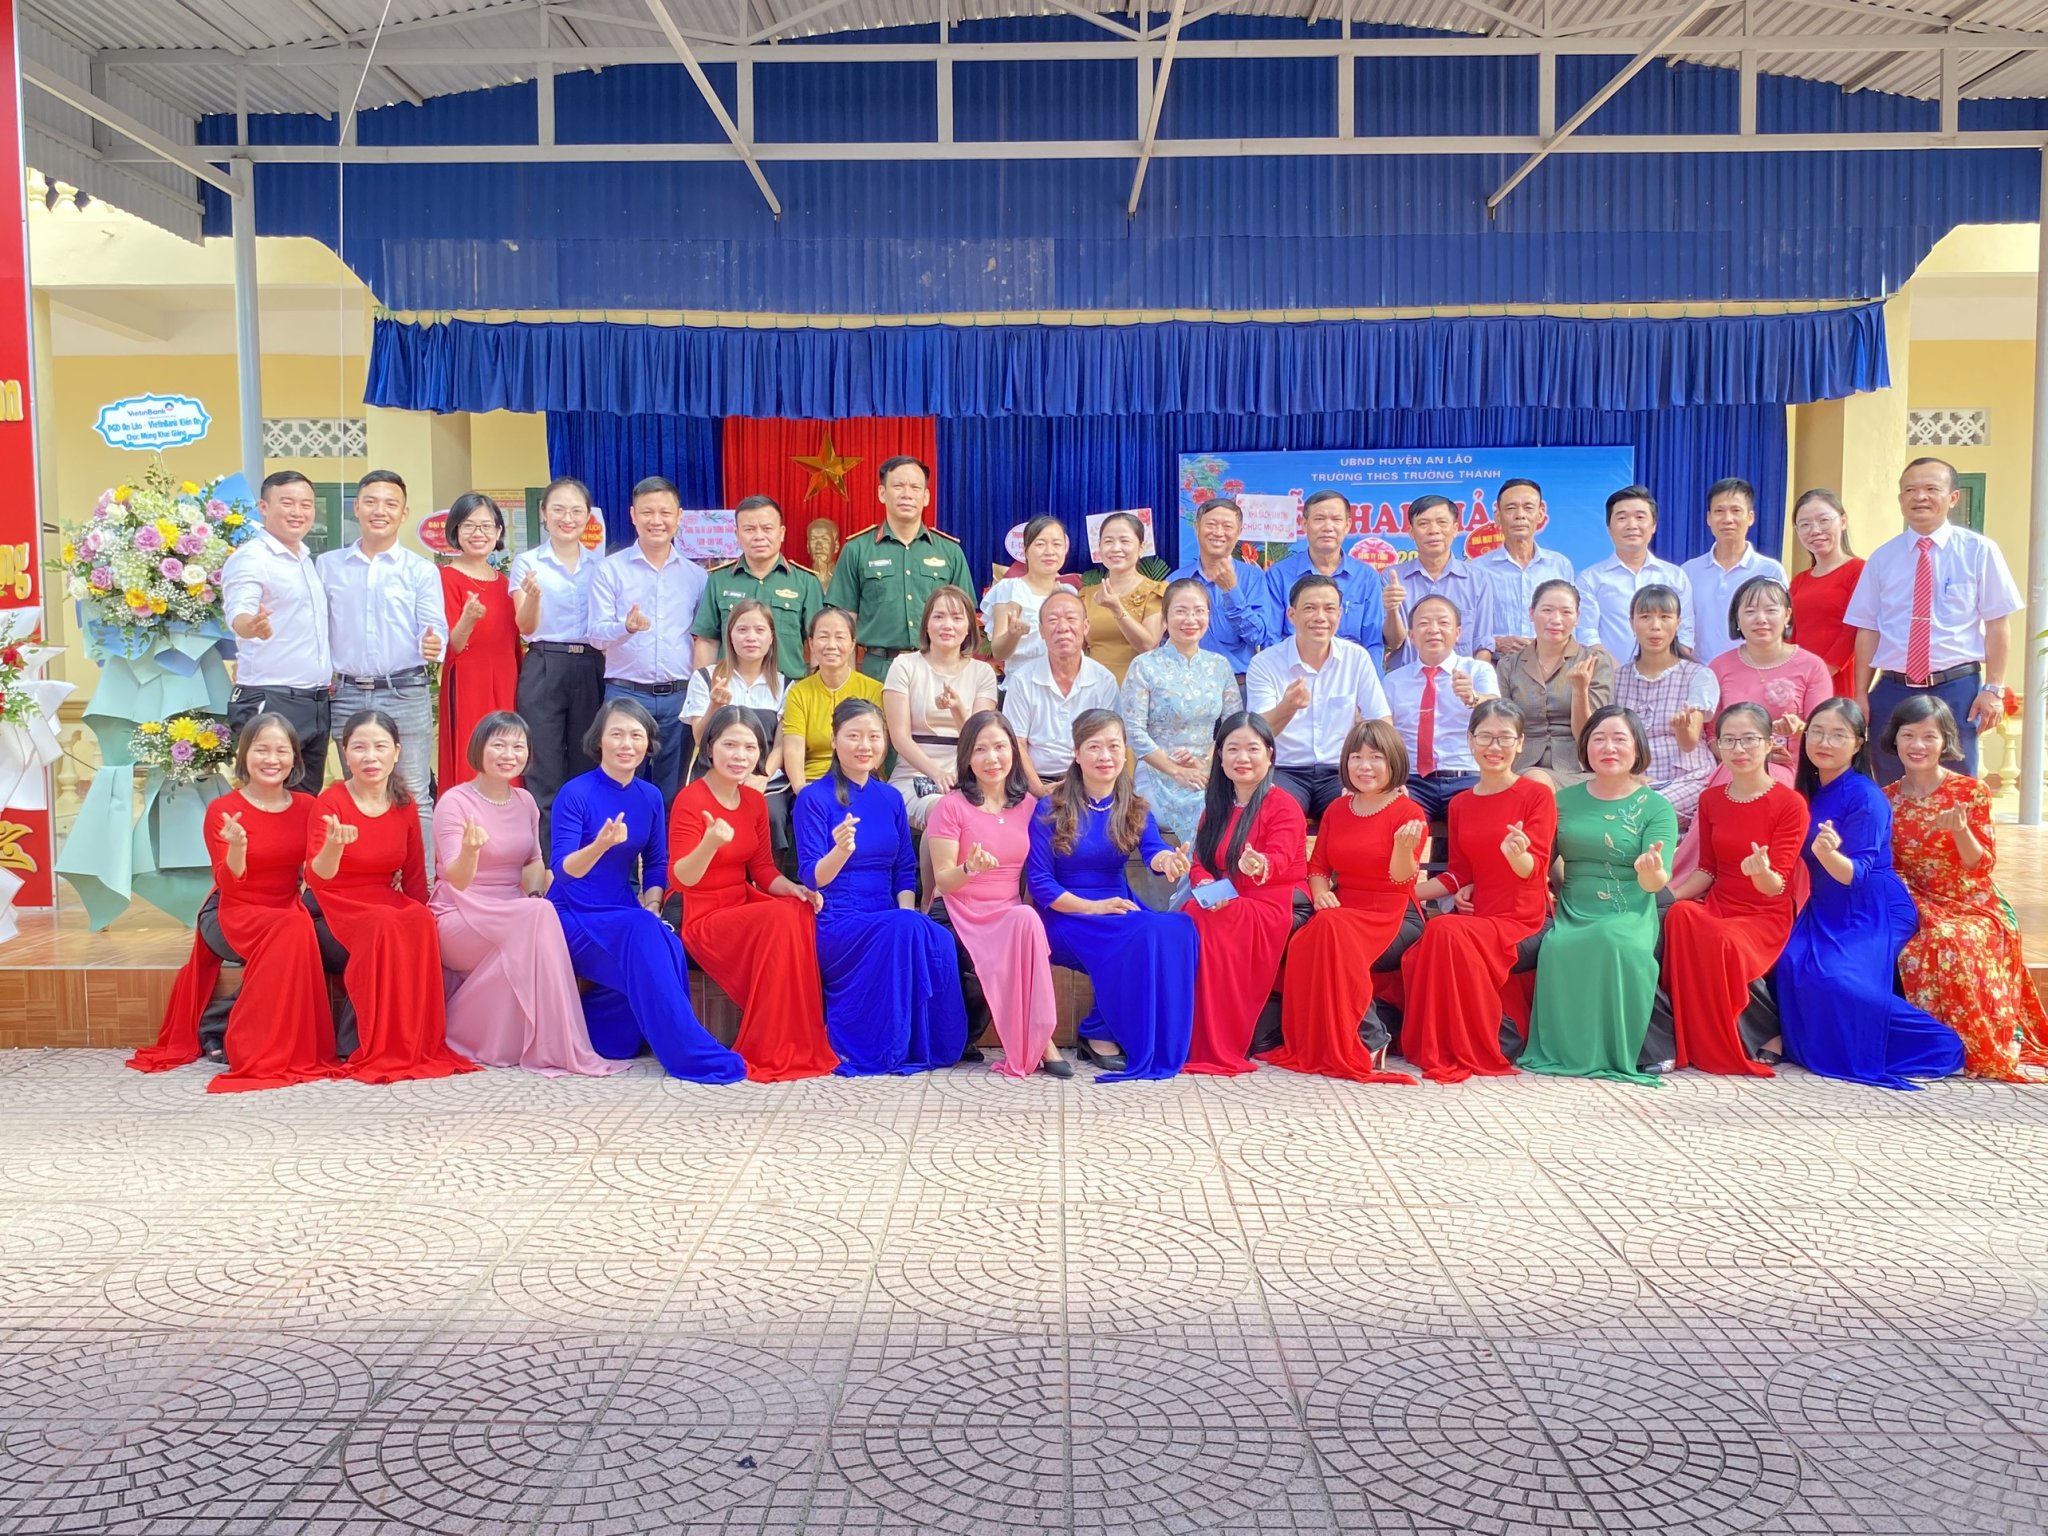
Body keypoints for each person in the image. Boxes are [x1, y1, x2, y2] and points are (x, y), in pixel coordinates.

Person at [130, 713, 339, 1091]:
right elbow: (229, 884)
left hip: (285, 909)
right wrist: (238, 847)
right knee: (294, 927)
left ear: (295, 757)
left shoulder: (308, 807)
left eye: (281, 750)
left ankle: (224, 1023)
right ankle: (247, 1042)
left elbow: (318, 876)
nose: (271, 759)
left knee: (295, 926)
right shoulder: (223, 810)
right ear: (245, 755)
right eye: (261, 749)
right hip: (232, 912)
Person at [548, 697, 747, 1083]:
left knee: (664, 941)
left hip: (622, 911)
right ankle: (692, 1050)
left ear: (648, 742)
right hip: (573, 913)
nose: (627, 744)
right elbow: (563, 871)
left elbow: (657, 862)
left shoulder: (650, 796)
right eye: (617, 734)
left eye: (636, 735)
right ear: (599, 740)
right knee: (643, 932)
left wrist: (653, 903)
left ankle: (587, 1029)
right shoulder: (575, 793)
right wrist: (600, 845)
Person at [1777, 699, 1965, 1090]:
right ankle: (1811, 1046)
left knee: (1836, 980)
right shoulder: (1811, 789)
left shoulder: (1865, 796)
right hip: (1826, 905)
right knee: (1792, 963)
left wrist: (1828, 854)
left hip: (1872, 906)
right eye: (1817, 732)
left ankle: (1940, 1046)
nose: (1825, 742)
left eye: (1838, 735)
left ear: (1858, 743)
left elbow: (1857, 875)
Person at [431, 712, 625, 1077]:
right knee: (538, 917)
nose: (509, 754)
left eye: (518, 746)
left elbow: (534, 862)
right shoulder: (455, 802)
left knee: (542, 912)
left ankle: (498, 1038)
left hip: (514, 914)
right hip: (460, 914)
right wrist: (471, 851)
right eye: (499, 745)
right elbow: (456, 878)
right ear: (479, 748)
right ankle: (562, 1045)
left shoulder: (525, 801)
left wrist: (537, 893)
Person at [795, 698, 969, 1075]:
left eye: (874, 736)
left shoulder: (890, 797)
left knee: (935, 936)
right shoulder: (813, 798)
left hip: (887, 916)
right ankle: (878, 1045)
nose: (865, 745)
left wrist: (907, 913)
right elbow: (811, 876)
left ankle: (929, 1044)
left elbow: (904, 868)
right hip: (838, 922)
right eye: (853, 736)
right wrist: (841, 851)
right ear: (834, 740)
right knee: (906, 927)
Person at [305, 710, 477, 1084]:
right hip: (336, 902)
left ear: (396, 752)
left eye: (380, 747)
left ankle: (414, 1040)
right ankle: (368, 1041)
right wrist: (333, 847)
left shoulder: (405, 803)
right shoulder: (331, 803)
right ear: (345, 753)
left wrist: (426, 910)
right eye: (359, 748)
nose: (370, 757)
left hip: (384, 897)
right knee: (384, 922)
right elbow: (316, 878)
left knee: (418, 919)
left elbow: (414, 875)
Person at [1026, 710, 1198, 1081]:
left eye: (1114, 746)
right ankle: (1099, 1032)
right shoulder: (1050, 807)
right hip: (1065, 914)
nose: (1105, 756)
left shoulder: (1134, 806)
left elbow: (1153, 852)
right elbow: (1040, 882)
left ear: (1125, 753)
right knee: (1140, 934)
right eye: (1094, 747)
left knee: (1178, 929)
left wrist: (1169, 861)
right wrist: (1093, 907)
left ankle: (1141, 1032)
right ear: (1076, 754)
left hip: (1118, 908)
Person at [669, 706, 839, 1082]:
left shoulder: (754, 801)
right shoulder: (690, 800)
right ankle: (768, 1045)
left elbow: (763, 870)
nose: (740, 756)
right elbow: (681, 879)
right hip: (704, 916)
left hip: (741, 902)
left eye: (750, 747)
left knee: (796, 909)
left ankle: (793, 1039)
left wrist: (794, 888)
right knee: (779, 916)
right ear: (710, 747)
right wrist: (710, 843)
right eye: (730, 745)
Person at [1884, 695, 2048, 1082]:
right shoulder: (1886, 797)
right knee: (1908, 942)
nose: (1918, 745)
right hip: (1914, 897)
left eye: (1929, 736)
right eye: (1909, 735)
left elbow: (1982, 865)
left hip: (1970, 900)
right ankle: (1928, 1045)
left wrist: (1960, 832)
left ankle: (1968, 1045)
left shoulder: (1971, 792)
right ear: (1895, 739)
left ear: (1946, 741)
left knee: (1948, 941)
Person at [1399, 700, 1557, 1082]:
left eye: (1504, 738)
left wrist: (1517, 854)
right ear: (1470, 741)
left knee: (1444, 930)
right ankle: (1448, 1040)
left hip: (1523, 919)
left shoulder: (1535, 795)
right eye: (1485, 737)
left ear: (1520, 743)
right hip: (1479, 915)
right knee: (1436, 937)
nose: (1494, 746)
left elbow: (1534, 869)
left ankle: (1462, 1043)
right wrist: (1406, 893)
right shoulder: (1460, 804)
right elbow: (1458, 874)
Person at [1519, 707, 1678, 1085]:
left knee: (1613, 941)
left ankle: (1634, 1048)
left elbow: (1657, 880)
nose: (1609, 748)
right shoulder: (1562, 801)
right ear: (1585, 747)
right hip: (1575, 904)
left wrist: (1651, 870)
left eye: (1620, 739)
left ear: (1637, 747)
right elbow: (1541, 862)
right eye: (1598, 739)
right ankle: (1568, 1050)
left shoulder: (1656, 807)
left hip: (1631, 905)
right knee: (1557, 946)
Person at [1266, 718, 1429, 1083]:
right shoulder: (1338, 810)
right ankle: (1335, 1037)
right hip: (1342, 909)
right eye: (1356, 757)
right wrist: (1321, 894)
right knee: (1310, 936)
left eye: (1375, 757)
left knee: (1333, 930)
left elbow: (1402, 879)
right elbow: (1318, 867)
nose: (1364, 766)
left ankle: (1368, 1036)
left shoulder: (1409, 813)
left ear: (1393, 761)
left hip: (1394, 913)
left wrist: (1403, 848)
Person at [1654, 702, 1806, 1077]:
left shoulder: (1790, 803)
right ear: (1718, 746)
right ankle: (1691, 1035)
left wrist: (1761, 872)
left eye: (1749, 739)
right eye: (1729, 740)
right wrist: (1663, 896)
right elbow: (1706, 870)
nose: (1739, 749)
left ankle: (1752, 1032)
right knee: (1680, 915)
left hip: (1764, 913)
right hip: (1720, 905)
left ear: (1769, 743)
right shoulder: (1711, 799)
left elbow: (1777, 885)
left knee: (1720, 939)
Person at [1848, 456, 2022, 781]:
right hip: (1892, 689)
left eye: (1931, 489)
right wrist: (1860, 692)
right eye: (1910, 490)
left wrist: (1993, 688)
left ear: (1953, 497)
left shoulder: (1979, 551)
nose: (1920, 497)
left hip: (1956, 689)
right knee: (1890, 783)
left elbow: (1998, 623)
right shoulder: (1883, 558)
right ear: (1900, 498)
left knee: (1956, 784)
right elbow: (1868, 628)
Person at [925, 711, 1067, 1078]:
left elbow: (1038, 872)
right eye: (980, 749)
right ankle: (1037, 1043)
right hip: (957, 907)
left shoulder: (1029, 807)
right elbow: (944, 880)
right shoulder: (951, 806)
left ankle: (1041, 1039)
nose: (992, 758)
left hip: (1007, 912)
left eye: (1000, 747)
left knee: (1027, 919)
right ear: (967, 757)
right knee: (1012, 929)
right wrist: (969, 868)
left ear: (1013, 753)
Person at [318, 470, 445, 846]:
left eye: (391, 504)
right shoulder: (328, 565)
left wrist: (433, 642)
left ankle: (422, 882)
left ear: (403, 513)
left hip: (404, 690)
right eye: (371, 502)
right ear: (356, 507)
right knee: (359, 793)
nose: (380, 511)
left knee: (414, 795)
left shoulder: (421, 570)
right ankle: (368, 876)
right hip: (345, 694)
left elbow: (434, 625)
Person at [1182, 714, 1309, 1075]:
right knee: (1190, 914)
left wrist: (1259, 864)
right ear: (1219, 757)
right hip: (1228, 896)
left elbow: (1280, 858)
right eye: (1232, 749)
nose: (1242, 758)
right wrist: (1206, 885)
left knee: (1213, 918)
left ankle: (1220, 1041)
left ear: (1270, 754)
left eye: (1253, 749)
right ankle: (1189, 1034)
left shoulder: (1283, 804)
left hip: (1276, 900)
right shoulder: (1216, 807)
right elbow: (1200, 863)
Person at [587, 475, 709, 807]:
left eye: (665, 512)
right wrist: (625, 627)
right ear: (632, 515)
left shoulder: (697, 576)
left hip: (679, 697)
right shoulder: (609, 570)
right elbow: (596, 636)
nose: (657, 521)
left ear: (679, 516)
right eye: (647, 512)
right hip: (626, 693)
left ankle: (664, 844)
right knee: (621, 786)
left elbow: (705, 637)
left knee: (673, 792)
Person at [1245, 574, 1393, 821]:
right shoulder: (1265, 663)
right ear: (1291, 615)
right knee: (1277, 814)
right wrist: (1287, 707)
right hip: (1284, 769)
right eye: (1310, 608)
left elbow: (1381, 721)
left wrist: (1384, 774)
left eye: (1329, 609)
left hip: (1341, 770)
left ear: (1339, 615)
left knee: (1359, 813)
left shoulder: (1356, 658)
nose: (1320, 617)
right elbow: (1256, 735)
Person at [224, 470, 333, 789]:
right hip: (272, 700)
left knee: (305, 801)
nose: (298, 512)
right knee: (268, 799)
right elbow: (240, 610)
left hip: (315, 701)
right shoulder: (252, 558)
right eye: (287, 503)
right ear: (263, 507)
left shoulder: (305, 559)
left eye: (306, 504)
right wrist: (250, 626)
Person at [824, 456, 975, 681]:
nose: (907, 494)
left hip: (937, 669)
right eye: (898, 486)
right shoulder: (857, 550)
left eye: (915, 487)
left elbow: (966, 621)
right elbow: (844, 624)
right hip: (878, 671)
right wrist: (849, 683)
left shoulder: (949, 552)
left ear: (926, 497)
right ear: (882, 493)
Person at [511, 476, 603, 838]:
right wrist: (533, 597)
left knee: (588, 760)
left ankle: (586, 850)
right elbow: (525, 626)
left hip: (591, 665)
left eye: (576, 511)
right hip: (544, 662)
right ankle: (548, 857)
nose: (567, 518)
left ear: (588, 517)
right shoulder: (528, 563)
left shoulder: (601, 565)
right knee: (543, 764)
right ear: (543, 513)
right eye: (559, 510)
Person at [1121, 578, 1241, 842]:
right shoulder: (1144, 666)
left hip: (1209, 769)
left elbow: (1233, 728)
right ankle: (1196, 870)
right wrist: (1177, 770)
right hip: (1157, 772)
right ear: (1165, 619)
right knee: (1204, 810)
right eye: (1181, 611)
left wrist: (1206, 762)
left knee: (1238, 808)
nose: (1191, 619)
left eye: (1199, 611)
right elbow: (1133, 731)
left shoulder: (1219, 666)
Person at [884, 584, 999, 829]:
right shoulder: (904, 666)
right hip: (915, 776)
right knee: (945, 810)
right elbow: (900, 738)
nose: (947, 625)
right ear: (926, 623)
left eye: (957, 618)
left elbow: (980, 740)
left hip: (970, 776)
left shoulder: (983, 673)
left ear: (969, 628)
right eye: (938, 617)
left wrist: (957, 709)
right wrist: (937, 773)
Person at [682, 601, 791, 856]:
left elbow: (782, 744)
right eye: (742, 629)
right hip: (714, 776)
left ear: (771, 637)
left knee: (772, 814)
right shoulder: (706, 678)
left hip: (764, 780)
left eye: (759, 630)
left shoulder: (786, 685)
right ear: (729, 635)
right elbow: (699, 738)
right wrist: (714, 705)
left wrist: (762, 776)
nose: (751, 637)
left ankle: (768, 879)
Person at [1381, 594, 1499, 822]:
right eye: (1424, 623)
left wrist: (1473, 698)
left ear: (1458, 632)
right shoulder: (1393, 681)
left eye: (1443, 623)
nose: (1434, 630)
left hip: (1467, 776)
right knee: (1395, 821)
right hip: (1411, 780)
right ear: (1411, 635)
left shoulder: (1477, 671)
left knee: (1478, 827)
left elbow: (1497, 712)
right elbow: (1384, 733)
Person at [436, 492, 521, 793]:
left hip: (507, 682)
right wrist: (468, 619)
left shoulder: (506, 583)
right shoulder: (445, 578)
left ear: (498, 532)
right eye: (469, 526)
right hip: (468, 682)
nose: (478, 533)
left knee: (508, 751)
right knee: (472, 754)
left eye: (486, 526)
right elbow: (452, 647)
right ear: (455, 530)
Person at [1614, 586, 1718, 827]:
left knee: (1641, 812)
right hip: (1632, 779)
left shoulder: (1698, 676)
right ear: (1632, 623)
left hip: (1687, 778)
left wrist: (1682, 729)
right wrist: (1630, 777)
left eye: (1665, 617)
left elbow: (1689, 743)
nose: (1655, 626)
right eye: (1645, 617)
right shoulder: (1617, 678)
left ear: (1678, 623)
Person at [692, 493, 824, 682]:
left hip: (787, 688)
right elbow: (707, 641)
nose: (759, 536)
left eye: (767, 528)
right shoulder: (719, 580)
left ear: (782, 533)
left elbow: (817, 643)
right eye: (749, 529)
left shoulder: (806, 583)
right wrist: (705, 689)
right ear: (737, 535)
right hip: (731, 689)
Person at [1493, 580, 1613, 789]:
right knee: (1534, 781)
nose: (1556, 620)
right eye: (1547, 610)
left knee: (1538, 782)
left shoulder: (1595, 661)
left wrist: (1580, 691)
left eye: (1566, 612)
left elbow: (1590, 735)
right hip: (1522, 765)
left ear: (1577, 617)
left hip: (1580, 768)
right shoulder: (1509, 665)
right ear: (1531, 613)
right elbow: (1504, 726)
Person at [1001, 587, 1120, 795]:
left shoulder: (1104, 681)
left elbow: (1109, 743)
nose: (1063, 627)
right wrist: (1039, 790)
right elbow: (1016, 743)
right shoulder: (1022, 680)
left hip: (1088, 781)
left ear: (1085, 627)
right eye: (1053, 620)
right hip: (1033, 783)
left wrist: (1080, 787)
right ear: (1041, 631)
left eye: (1071, 619)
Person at [1264, 490, 1390, 671]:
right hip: (1295, 672)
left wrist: (1370, 682)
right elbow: (1272, 639)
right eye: (1319, 519)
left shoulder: (1366, 576)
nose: (1328, 527)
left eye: (1336, 519)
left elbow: (1373, 643)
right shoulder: (1279, 574)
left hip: (1350, 674)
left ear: (1347, 525)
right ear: (1304, 524)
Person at [1381, 493, 1499, 669]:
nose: (1433, 530)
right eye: (1423, 524)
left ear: (1455, 529)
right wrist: (1392, 610)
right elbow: (1394, 642)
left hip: (1459, 680)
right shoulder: (1393, 578)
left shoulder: (1477, 579)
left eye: (1442, 522)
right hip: (1407, 679)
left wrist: (1475, 680)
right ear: (1411, 532)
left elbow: (1483, 643)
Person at [1679, 477, 1788, 667]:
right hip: (1701, 673)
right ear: (1708, 518)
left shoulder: (1770, 570)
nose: (1727, 519)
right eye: (1719, 511)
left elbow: (1779, 628)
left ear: (1750, 517)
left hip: (1753, 671)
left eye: (1736, 511)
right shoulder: (1689, 571)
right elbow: (1681, 628)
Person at [1577, 485, 1696, 657]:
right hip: (1609, 672)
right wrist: (1617, 671)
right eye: (1622, 518)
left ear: (1654, 525)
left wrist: (1669, 669)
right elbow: (1587, 634)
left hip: (1668, 672)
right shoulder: (1590, 579)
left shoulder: (1675, 576)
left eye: (1640, 517)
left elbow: (1685, 632)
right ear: (1609, 528)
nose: (1632, 525)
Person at [1474, 477, 1585, 659]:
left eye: (1528, 507)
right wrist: (1497, 643)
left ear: (1540, 514)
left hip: (1552, 666)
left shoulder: (1559, 565)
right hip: (1498, 667)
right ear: (1498, 517)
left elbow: (1571, 620)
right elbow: (1467, 630)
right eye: (1511, 508)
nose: (1520, 515)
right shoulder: (1477, 570)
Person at [1167, 496, 1277, 677]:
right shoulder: (1174, 580)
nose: (1218, 532)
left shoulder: (1253, 577)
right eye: (1211, 524)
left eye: (1227, 526)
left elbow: (1257, 637)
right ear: (1196, 527)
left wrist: (1232, 591)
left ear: (1239, 532)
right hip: (1185, 681)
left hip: (1237, 681)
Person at [781, 606, 884, 794]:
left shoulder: (873, 690)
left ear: (852, 645)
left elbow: (878, 748)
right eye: (823, 637)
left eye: (840, 637)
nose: (831, 645)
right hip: (813, 783)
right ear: (811, 643)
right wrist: (801, 790)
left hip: (861, 781)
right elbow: (794, 746)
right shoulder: (799, 692)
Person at [1787, 488, 1865, 700]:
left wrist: (1822, 672)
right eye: (1805, 525)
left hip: (1838, 677)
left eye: (1824, 520)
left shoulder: (1859, 571)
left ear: (1843, 521)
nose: (1815, 530)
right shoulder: (1799, 581)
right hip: (1799, 681)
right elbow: (1790, 633)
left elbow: (1853, 631)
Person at [983, 515, 1075, 674]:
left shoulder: (1069, 593)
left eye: (1057, 544)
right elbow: (999, 652)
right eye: (1040, 544)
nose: (1049, 551)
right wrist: (1012, 635)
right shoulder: (1010, 589)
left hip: (1063, 683)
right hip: (1023, 682)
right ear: (1026, 551)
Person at [1080, 511, 1165, 682]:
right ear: (1099, 548)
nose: (1115, 548)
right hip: (1093, 687)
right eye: (1108, 541)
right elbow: (1077, 650)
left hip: (1138, 688)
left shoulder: (1156, 591)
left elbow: (1148, 646)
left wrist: (1117, 608)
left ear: (1141, 548)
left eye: (1124, 541)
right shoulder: (1086, 595)